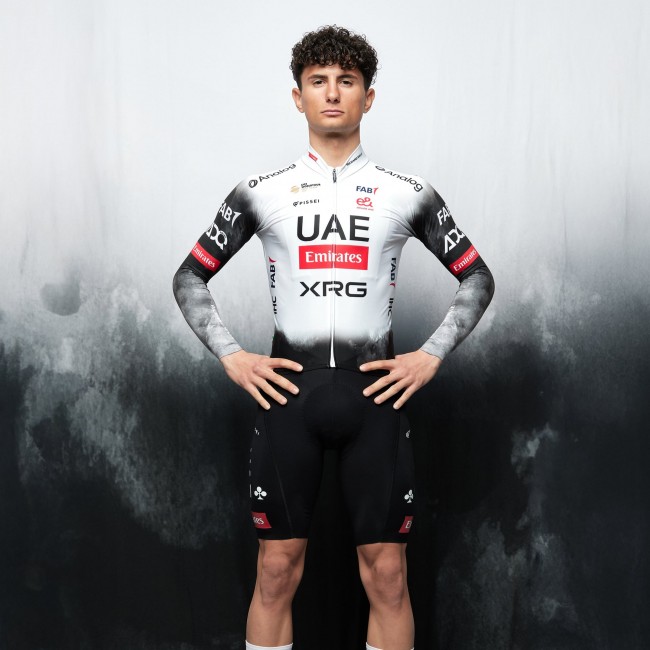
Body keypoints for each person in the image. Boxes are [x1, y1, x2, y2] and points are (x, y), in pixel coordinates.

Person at [173, 25, 494, 650]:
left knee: (388, 578)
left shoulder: (407, 193)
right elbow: (190, 277)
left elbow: (477, 278)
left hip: (375, 402)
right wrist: (233, 357)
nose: (332, 93)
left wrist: (430, 356)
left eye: (346, 81)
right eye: (317, 81)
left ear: (367, 97)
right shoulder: (260, 192)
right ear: (298, 97)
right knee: (274, 572)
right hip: (287, 399)